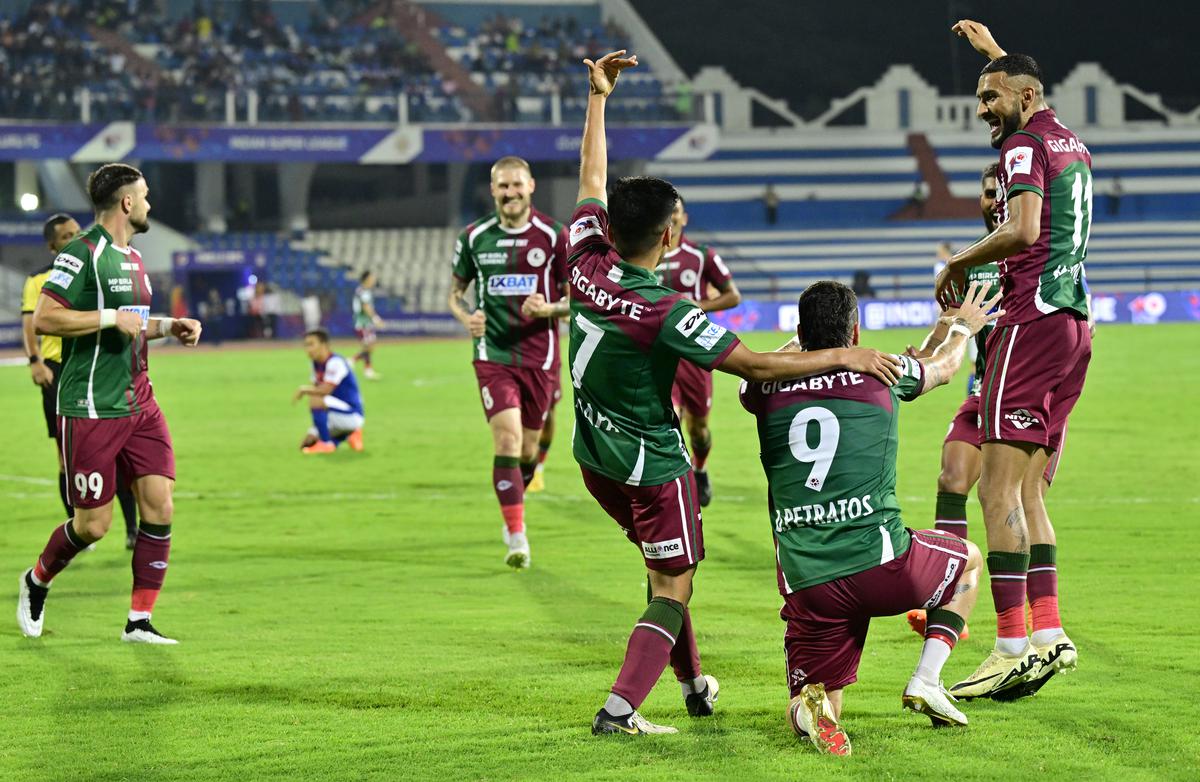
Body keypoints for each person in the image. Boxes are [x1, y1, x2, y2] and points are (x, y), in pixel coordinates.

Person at [572, 51, 904, 737]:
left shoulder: (583, 256)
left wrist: (598, 99)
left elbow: (590, 179)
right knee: (673, 585)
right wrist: (845, 353)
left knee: (662, 569)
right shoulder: (664, 307)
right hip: (652, 465)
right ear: (670, 234)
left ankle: (694, 684)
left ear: (611, 225)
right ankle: (620, 711)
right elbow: (753, 366)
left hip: (592, 452)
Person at [740, 280, 1000, 756]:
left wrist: (805, 343)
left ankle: (812, 710)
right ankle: (926, 679)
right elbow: (940, 368)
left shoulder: (762, 386)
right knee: (968, 560)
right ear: (856, 331)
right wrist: (961, 327)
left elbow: (752, 375)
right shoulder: (879, 370)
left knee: (814, 698)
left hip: (809, 580)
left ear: (799, 331)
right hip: (883, 566)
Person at [935, 20, 1092, 699]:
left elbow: (1024, 227)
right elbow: (1026, 93)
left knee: (996, 489)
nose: (982, 110)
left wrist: (961, 259)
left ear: (1024, 98)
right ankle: (1049, 633)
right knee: (1026, 489)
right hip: (1075, 324)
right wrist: (996, 58)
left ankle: (1006, 647)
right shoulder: (1065, 137)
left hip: (1029, 322)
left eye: (989, 98)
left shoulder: (1024, 146)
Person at [16, 163, 203, 645]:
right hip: (91, 405)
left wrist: (169, 326)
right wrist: (106, 316)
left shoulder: (134, 259)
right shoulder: (82, 253)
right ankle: (36, 579)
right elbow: (47, 317)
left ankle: (138, 621)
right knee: (93, 525)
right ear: (125, 203)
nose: (148, 204)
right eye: (143, 196)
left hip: (139, 400)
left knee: (159, 504)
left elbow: (132, 321)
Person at [448, 156, 569, 569]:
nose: (510, 193)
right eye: (503, 186)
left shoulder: (555, 236)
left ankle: (517, 493)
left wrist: (549, 309)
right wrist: (467, 317)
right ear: (493, 189)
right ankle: (517, 535)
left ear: (531, 185)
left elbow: (581, 299)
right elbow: (454, 293)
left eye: (517, 185)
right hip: (493, 355)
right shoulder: (474, 237)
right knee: (507, 440)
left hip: (540, 357)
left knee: (528, 451)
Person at [24, 213, 140, 550]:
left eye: (77, 232)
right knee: (66, 457)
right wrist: (35, 362)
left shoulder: (96, 267)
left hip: (97, 368)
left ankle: (132, 528)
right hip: (59, 372)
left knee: (118, 452)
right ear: (52, 245)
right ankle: (79, 529)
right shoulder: (39, 281)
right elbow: (33, 323)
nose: (74, 238)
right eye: (65, 236)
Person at [656, 196, 741, 506]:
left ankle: (700, 469)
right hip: (659, 354)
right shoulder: (645, 253)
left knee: (699, 429)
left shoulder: (701, 256)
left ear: (684, 218)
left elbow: (733, 296)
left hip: (694, 354)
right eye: (667, 212)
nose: (672, 218)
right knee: (670, 422)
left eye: (675, 212)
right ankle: (675, 489)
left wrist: (700, 305)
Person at [294, 328, 365, 454]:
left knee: (315, 397)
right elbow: (317, 388)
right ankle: (350, 435)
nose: (308, 349)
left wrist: (304, 390)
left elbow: (325, 390)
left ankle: (327, 444)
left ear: (324, 345)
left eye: (311, 344)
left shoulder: (335, 362)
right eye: (306, 345)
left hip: (351, 413)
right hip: (333, 414)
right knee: (306, 444)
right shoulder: (315, 363)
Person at [352, 271, 384, 380]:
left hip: (364, 323)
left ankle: (358, 364)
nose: (373, 280)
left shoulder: (361, 290)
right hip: (363, 323)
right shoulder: (364, 291)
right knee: (369, 346)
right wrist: (376, 319)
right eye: (372, 278)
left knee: (369, 346)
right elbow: (366, 307)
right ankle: (360, 365)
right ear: (366, 279)